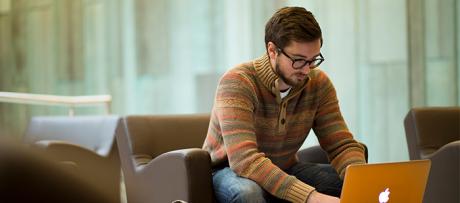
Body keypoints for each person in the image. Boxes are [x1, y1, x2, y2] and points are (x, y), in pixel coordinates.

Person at [202, 6, 366, 203]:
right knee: (248, 193)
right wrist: (311, 197)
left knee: (350, 186)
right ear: (272, 50)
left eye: (313, 60)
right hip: (227, 171)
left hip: (284, 167)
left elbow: (341, 146)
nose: (307, 70)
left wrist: (362, 181)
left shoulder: (319, 84)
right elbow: (244, 160)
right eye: (298, 60)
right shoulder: (238, 82)